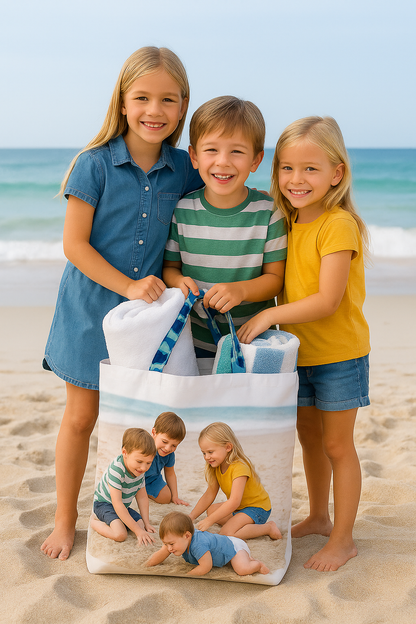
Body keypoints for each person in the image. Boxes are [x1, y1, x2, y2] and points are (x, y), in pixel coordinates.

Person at [41, 46, 202, 560]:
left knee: (145, 425)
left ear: (182, 107)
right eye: (142, 97)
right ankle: (66, 520)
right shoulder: (94, 164)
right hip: (89, 313)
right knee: (82, 417)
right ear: (123, 101)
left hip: (147, 322)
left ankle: (138, 505)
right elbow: (74, 245)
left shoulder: (185, 168)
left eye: (168, 100)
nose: (154, 110)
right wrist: (129, 283)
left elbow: (208, 215)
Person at [237, 116, 371, 572]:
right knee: (309, 440)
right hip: (299, 355)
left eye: (310, 169)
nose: (297, 179)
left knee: (338, 446)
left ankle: (344, 538)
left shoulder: (338, 224)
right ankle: (317, 515)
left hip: (339, 355)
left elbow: (328, 300)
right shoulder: (284, 221)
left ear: (336, 173)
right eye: (287, 168)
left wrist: (271, 313)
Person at [163, 95, 287, 357]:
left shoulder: (268, 212)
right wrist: (179, 282)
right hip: (193, 344)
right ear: (194, 156)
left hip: (253, 343)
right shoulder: (182, 211)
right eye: (211, 150)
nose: (223, 161)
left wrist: (241, 290)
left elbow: (275, 280)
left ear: (256, 160)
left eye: (237, 151)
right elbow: (170, 268)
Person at [189, 422, 281, 540]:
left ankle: (268, 528)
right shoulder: (216, 466)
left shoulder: (239, 467)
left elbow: (234, 502)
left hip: (257, 508)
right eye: (204, 453)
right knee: (211, 510)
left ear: (228, 447)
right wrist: (191, 516)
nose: (207, 457)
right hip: (240, 508)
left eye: (210, 452)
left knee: (226, 534)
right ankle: (239, 522)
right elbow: (209, 494)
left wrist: (209, 521)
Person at [145, 511, 270, 576]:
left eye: (171, 544)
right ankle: (248, 559)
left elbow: (206, 566)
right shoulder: (177, 540)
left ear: (187, 535)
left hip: (235, 546)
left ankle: (257, 564)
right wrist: (147, 565)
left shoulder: (198, 544)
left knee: (242, 569)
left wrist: (186, 576)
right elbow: (160, 554)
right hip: (224, 540)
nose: (169, 548)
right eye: (166, 544)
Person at [91, 428, 156, 544]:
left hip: (123, 506)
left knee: (140, 525)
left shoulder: (139, 471)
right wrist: (137, 531)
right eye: (139, 461)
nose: (144, 468)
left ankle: (123, 522)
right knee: (120, 534)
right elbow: (117, 503)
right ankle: (93, 522)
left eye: (148, 463)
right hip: (104, 504)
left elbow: (142, 497)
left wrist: (146, 523)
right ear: (125, 453)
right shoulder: (117, 470)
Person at [146, 411, 189, 505]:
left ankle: (144, 491)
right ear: (154, 433)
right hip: (135, 478)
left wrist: (175, 496)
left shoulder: (169, 454)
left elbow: (170, 473)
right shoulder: (144, 446)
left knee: (166, 498)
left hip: (153, 480)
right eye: (164, 442)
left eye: (174, 445)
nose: (168, 448)